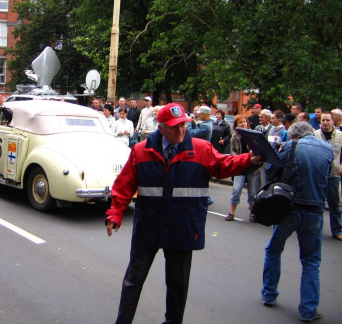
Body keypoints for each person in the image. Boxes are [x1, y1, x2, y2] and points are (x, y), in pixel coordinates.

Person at [106, 103, 262, 324]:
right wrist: (115, 214)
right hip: (148, 226)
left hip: (181, 227)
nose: (181, 131)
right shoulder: (141, 151)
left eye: (184, 125)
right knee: (133, 280)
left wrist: (248, 160)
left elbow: (224, 164)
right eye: (174, 127)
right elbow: (124, 185)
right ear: (161, 128)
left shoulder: (201, 149)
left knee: (178, 285)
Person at [261, 122, 333, 323]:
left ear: (294, 136)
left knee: (274, 249)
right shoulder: (327, 148)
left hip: (288, 208)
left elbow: (270, 172)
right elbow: (328, 176)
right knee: (311, 261)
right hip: (315, 210)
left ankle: (269, 294)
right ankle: (308, 310)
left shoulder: (290, 146)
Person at [314, 112, 342, 240]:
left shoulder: (340, 135)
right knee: (317, 203)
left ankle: (337, 230)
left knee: (334, 204)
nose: (325, 122)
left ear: (333, 121)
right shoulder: (315, 135)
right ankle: (315, 229)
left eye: (327, 120)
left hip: (333, 174)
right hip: (318, 174)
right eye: (323, 120)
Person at [225, 116, 259, 221]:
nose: (243, 124)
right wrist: (238, 158)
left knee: (252, 192)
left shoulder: (252, 135)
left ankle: (252, 213)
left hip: (252, 166)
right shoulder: (234, 137)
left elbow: (258, 148)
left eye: (244, 122)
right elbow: (233, 150)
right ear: (236, 125)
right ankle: (231, 213)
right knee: (236, 189)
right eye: (240, 122)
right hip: (240, 166)